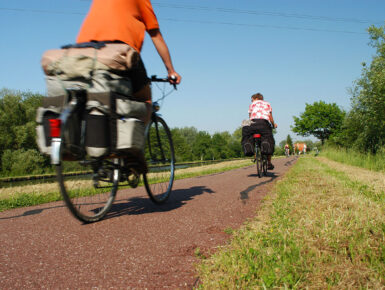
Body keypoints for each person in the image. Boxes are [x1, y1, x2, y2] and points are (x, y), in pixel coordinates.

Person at [76, 0, 181, 122]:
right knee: (145, 99)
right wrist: (171, 71)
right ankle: (138, 139)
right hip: (119, 50)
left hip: (83, 50)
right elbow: (156, 36)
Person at [248, 93, 277, 169]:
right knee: (269, 140)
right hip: (264, 124)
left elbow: (250, 117)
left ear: (256, 98)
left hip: (253, 124)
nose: (252, 101)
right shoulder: (267, 104)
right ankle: (269, 163)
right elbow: (270, 118)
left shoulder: (252, 105)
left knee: (250, 136)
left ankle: (254, 152)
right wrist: (274, 124)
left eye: (252, 100)